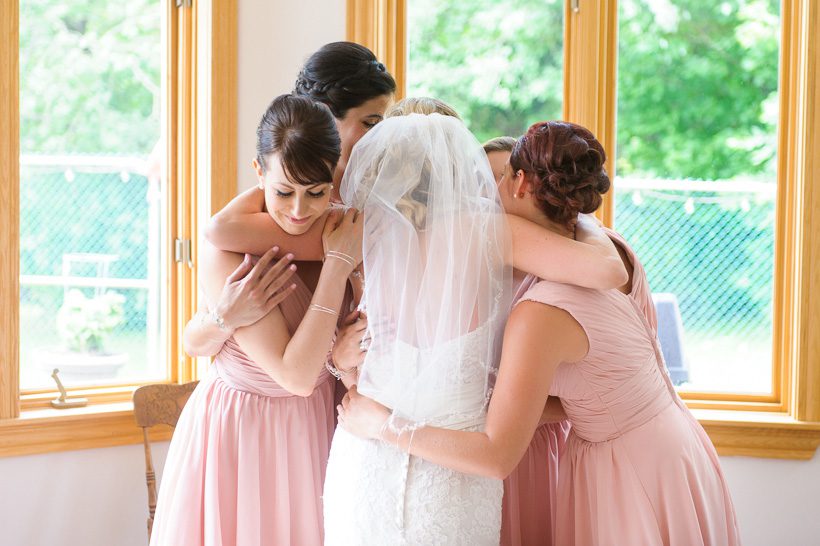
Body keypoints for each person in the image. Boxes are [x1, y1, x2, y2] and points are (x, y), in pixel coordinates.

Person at [339, 121, 742, 546]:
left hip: (630, 465)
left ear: (520, 183)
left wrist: (385, 425)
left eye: (496, 179)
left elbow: (498, 452)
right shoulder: (580, 250)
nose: (482, 197)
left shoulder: (548, 305)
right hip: (668, 445)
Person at [149, 95, 362, 546]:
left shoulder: (346, 231)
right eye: (284, 191)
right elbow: (296, 375)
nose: (300, 211)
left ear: (335, 179)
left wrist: (341, 362)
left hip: (313, 430)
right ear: (259, 172)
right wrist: (338, 266)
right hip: (239, 433)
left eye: (316, 192)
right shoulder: (229, 251)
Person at [483, 134, 571, 546]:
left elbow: (582, 397)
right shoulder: (467, 273)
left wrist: (507, 414)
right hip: (474, 453)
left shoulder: (560, 275)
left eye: (504, 180)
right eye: (484, 187)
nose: (497, 197)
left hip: (535, 450)